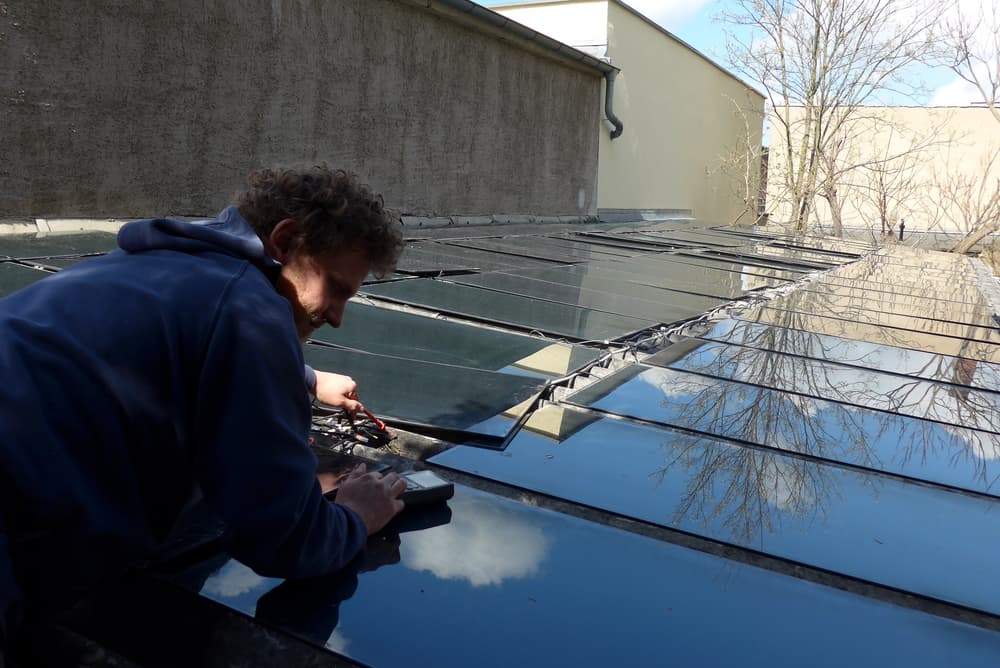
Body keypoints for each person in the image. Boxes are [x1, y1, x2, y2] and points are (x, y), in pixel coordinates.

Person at [0, 164, 408, 650]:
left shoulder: (154, 265)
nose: (338, 317)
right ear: (284, 242)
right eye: (337, 288)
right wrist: (358, 517)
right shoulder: (251, 312)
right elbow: (283, 537)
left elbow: (176, 343)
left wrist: (307, 379)